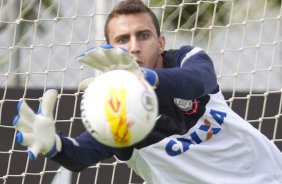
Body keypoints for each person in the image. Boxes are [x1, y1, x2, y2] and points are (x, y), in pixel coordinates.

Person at [13, 0, 282, 183]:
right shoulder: (118, 117)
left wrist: (144, 78)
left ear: (160, 42)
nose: (134, 47)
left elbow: (197, 80)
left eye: (143, 35)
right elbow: (80, 154)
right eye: (122, 39)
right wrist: (54, 145)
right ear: (110, 47)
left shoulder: (187, 60)